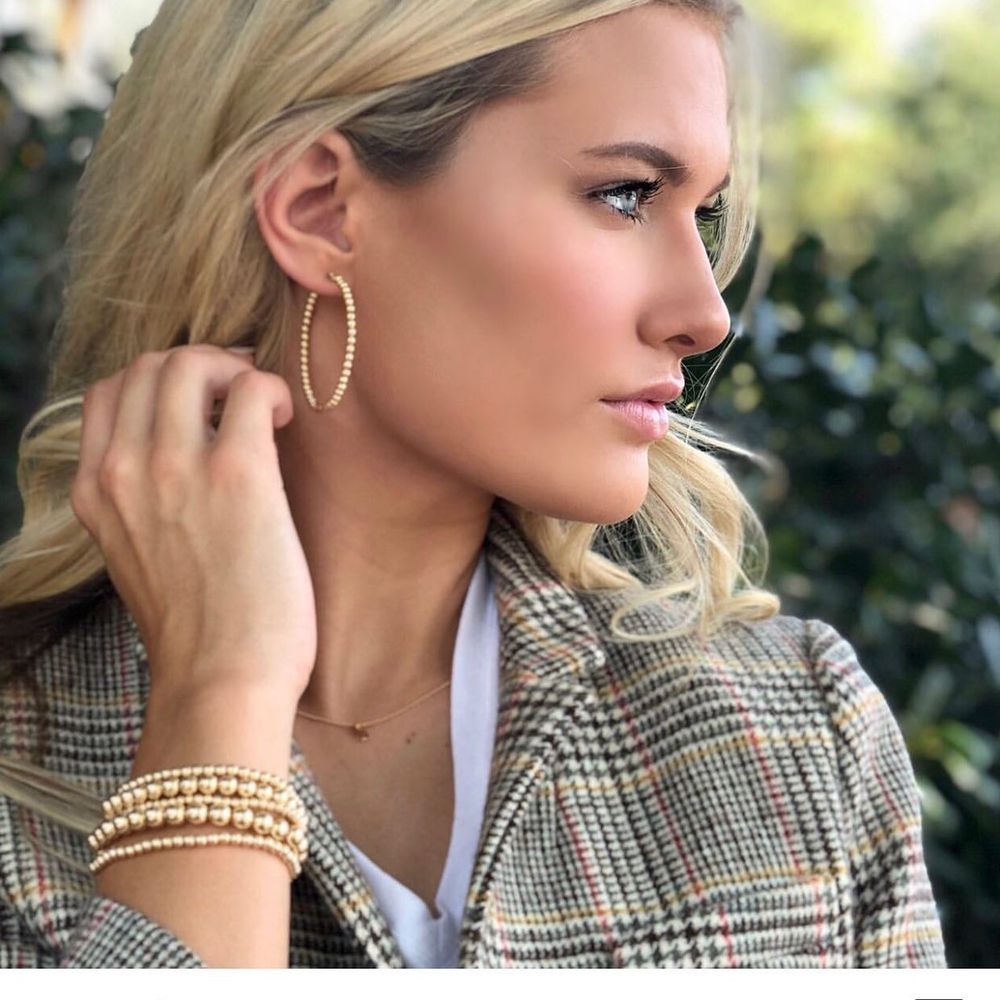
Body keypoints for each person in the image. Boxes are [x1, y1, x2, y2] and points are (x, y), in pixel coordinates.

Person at [0, 0, 946, 969]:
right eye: (624, 195)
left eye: (701, 213)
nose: (704, 314)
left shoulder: (800, 734)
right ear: (320, 211)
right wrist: (217, 698)